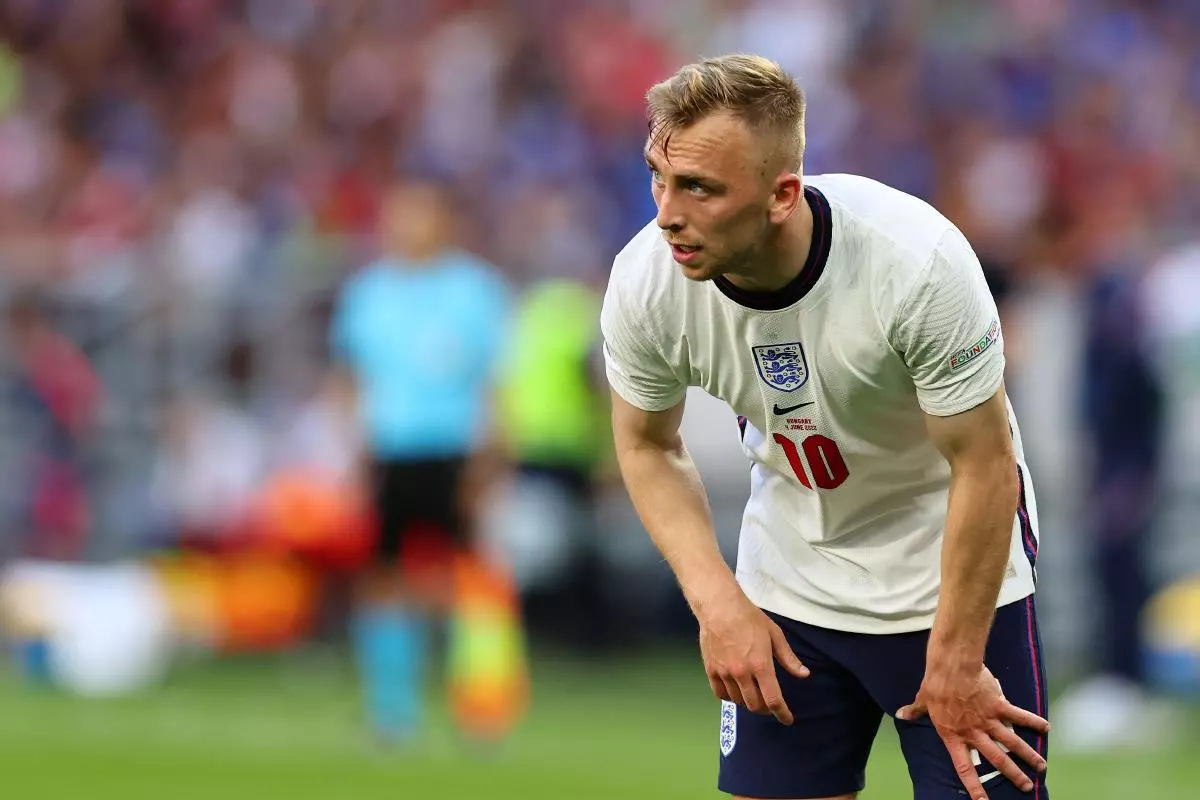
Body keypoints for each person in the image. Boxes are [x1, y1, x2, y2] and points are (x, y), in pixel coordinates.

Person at [601, 55, 1051, 800]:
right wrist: (719, 603)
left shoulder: (916, 264)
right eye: (659, 177)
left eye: (700, 189)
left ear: (782, 195)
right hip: (792, 586)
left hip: (950, 580)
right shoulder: (648, 281)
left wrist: (960, 656)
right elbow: (646, 443)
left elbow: (984, 461)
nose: (667, 213)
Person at [329, 178, 514, 743]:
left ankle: (481, 706)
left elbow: (497, 383)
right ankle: (393, 709)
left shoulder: (476, 290)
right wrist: (354, 457)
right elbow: (351, 381)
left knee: (468, 579)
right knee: (383, 579)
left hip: (455, 449)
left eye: (419, 215)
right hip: (390, 451)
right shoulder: (369, 292)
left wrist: (491, 459)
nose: (405, 227)